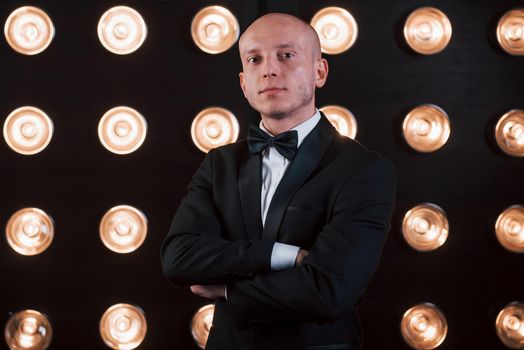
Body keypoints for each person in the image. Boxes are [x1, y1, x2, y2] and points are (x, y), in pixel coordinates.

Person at [161, 13, 396, 350]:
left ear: (319, 71)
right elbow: (179, 258)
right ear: (244, 83)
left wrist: (228, 289)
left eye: (286, 55)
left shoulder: (364, 170)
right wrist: (281, 255)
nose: (269, 70)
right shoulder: (219, 163)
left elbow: (329, 292)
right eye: (255, 59)